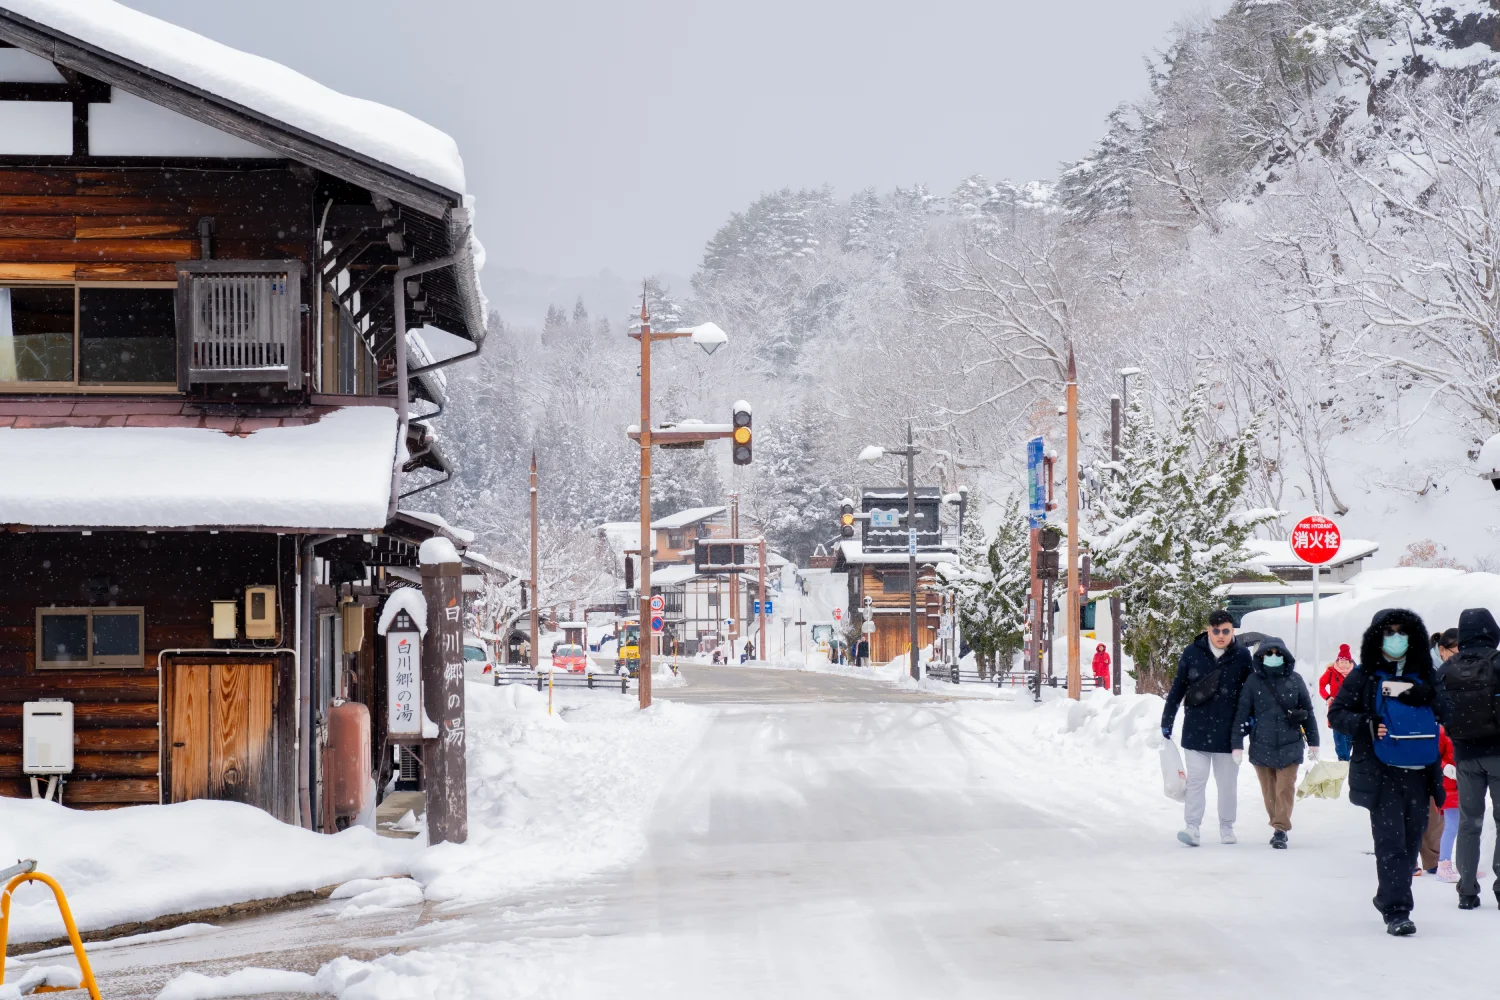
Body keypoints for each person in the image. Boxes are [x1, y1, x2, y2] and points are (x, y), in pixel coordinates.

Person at [1329, 608, 1449, 936]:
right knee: (1390, 841)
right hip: (1381, 771)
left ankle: (1387, 896)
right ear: (1377, 637)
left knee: (1411, 841)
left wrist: (1430, 697)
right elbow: (1337, 713)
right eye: (1389, 632)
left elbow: (1447, 711)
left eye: (1402, 632)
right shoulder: (1365, 675)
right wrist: (1365, 725)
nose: (1396, 639)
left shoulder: (1425, 673)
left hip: (1420, 772)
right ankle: (1398, 910)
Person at [1161, 609, 1253, 847]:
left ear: (1233, 630)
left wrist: (1251, 721)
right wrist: (1167, 721)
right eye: (1216, 631)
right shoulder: (1193, 652)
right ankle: (1192, 827)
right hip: (1196, 731)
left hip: (1228, 735)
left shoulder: (1242, 655)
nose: (1220, 635)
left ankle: (1227, 826)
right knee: (1196, 781)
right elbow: (1178, 688)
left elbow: (1251, 693)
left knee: (1227, 785)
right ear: (1208, 630)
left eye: (1225, 631)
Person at [1436, 608, 1500, 909]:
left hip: (1464, 755)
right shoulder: (1498, 663)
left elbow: (1436, 706)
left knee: (1469, 823)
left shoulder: (1449, 668)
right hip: (1499, 754)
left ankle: (1467, 889)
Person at [1231, 637, 1319, 848]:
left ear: (1285, 655)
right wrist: (1237, 744)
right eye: (1268, 653)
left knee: (1285, 788)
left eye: (1277, 653)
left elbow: (1308, 712)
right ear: (1260, 657)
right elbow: (1242, 713)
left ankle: (1280, 829)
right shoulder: (1253, 681)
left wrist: (1314, 741)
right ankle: (1276, 822)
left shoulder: (1295, 680)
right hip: (1262, 744)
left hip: (1291, 744)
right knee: (1269, 792)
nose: (1273, 657)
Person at [1418, 630, 1460, 876]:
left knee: (1438, 800)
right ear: (1442, 649)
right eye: (1455, 651)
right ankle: (1413, 857)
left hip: (1444, 736)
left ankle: (1434, 859)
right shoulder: (1426, 670)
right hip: (1424, 736)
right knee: (1416, 801)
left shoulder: (1454, 669)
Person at [1319, 644, 1357, 761]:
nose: (1344, 664)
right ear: (1338, 661)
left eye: (1346, 662)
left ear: (1350, 662)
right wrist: (1327, 697)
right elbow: (1321, 685)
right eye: (1341, 661)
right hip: (1336, 709)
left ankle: (1345, 760)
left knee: (1349, 738)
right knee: (1339, 736)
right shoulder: (1331, 671)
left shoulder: (1356, 672)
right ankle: (1343, 760)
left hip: (1351, 709)